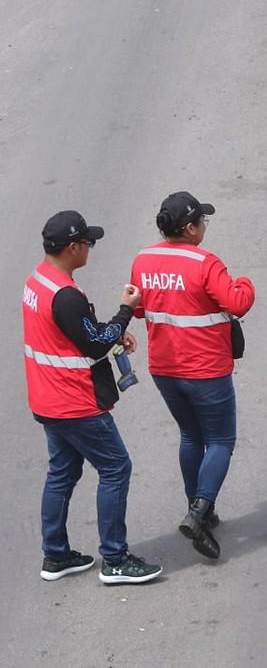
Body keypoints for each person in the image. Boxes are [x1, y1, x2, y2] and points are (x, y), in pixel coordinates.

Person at [23, 210, 163, 584]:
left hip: (47, 399)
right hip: (75, 402)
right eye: (88, 242)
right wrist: (125, 313)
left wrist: (111, 331)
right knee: (116, 468)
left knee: (62, 474)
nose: (90, 248)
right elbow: (94, 343)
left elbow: (73, 334)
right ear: (72, 247)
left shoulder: (39, 281)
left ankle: (55, 556)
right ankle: (115, 560)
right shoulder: (65, 295)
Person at [129, 192, 256, 560]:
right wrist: (245, 282)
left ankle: (199, 507)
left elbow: (138, 310)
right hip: (206, 370)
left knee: (190, 436)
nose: (204, 226)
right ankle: (199, 511)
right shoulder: (205, 263)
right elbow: (237, 302)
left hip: (165, 370)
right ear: (190, 228)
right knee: (220, 441)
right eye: (202, 221)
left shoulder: (144, 259)